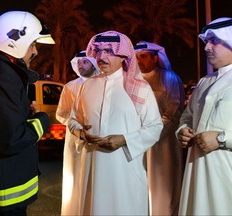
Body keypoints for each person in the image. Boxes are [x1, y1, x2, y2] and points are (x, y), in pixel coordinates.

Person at [176, 17, 232, 215]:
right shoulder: (204, 83)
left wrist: (222, 139)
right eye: (206, 41)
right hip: (198, 175)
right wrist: (182, 131)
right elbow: (187, 117)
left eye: (214, 41)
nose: (207, 47)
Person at [67, 30, 163, 215]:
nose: (101, 56)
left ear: (123, 56)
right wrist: (80, 132)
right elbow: (73, 119)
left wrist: (124, 139)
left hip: (125, 169)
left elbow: (155, 127)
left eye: (109, 51)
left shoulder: (139, 88)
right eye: (99, 51)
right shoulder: (86, 86)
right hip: (92, 167)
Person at [0, 10, 54, 216]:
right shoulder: (3, 77)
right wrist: (42, 120)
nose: (36, 52)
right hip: (4, 194)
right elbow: (10, 139)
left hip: (2, 185)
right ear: (15, 41)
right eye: (33, 44)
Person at [134, 41, 185, 216]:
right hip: (136, 142)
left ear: (155, 58)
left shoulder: (170, 79)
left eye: (144, 56)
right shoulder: (132, 80)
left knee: (163, 186)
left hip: (163, 143)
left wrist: (152, 134)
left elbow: (174, 111)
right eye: (136, 57)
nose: (139, 61)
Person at [56, 50, 100, 215]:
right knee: (74, 180)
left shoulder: (104, 85)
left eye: (85, 62)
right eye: (79, 63)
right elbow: (61, 114)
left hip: (96, 140)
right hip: (75, 142)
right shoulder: (71, 87)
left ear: (93, 63)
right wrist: (77, 127)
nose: (81, 66)